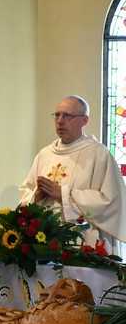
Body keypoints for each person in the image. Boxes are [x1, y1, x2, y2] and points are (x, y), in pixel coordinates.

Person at [19, 95, 126, 254]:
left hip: (83, 242)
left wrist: (63, 194)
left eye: (67, 115)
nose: (60, 121)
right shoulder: (44, 155)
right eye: (57, 115)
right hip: (43, 242)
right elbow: (25, 193)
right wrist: (36, 196)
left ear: (84, 120)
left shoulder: (98, 154)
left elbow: (111, 201)